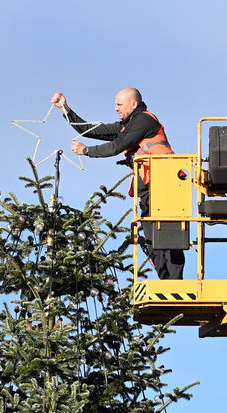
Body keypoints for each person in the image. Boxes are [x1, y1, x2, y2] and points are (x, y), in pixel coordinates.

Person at [52, 88, 185, 280]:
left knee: (169, 237)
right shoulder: (127, 126)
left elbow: (117, 146)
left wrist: (86, 151)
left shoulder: (144, 121)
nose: (115, 108)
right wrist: (65, 109)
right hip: (150, 188)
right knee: (151, 238)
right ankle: (166, 282)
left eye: (119, 105)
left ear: (134, 104)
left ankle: (175, 284)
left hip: (167, 185)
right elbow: (90, 129)